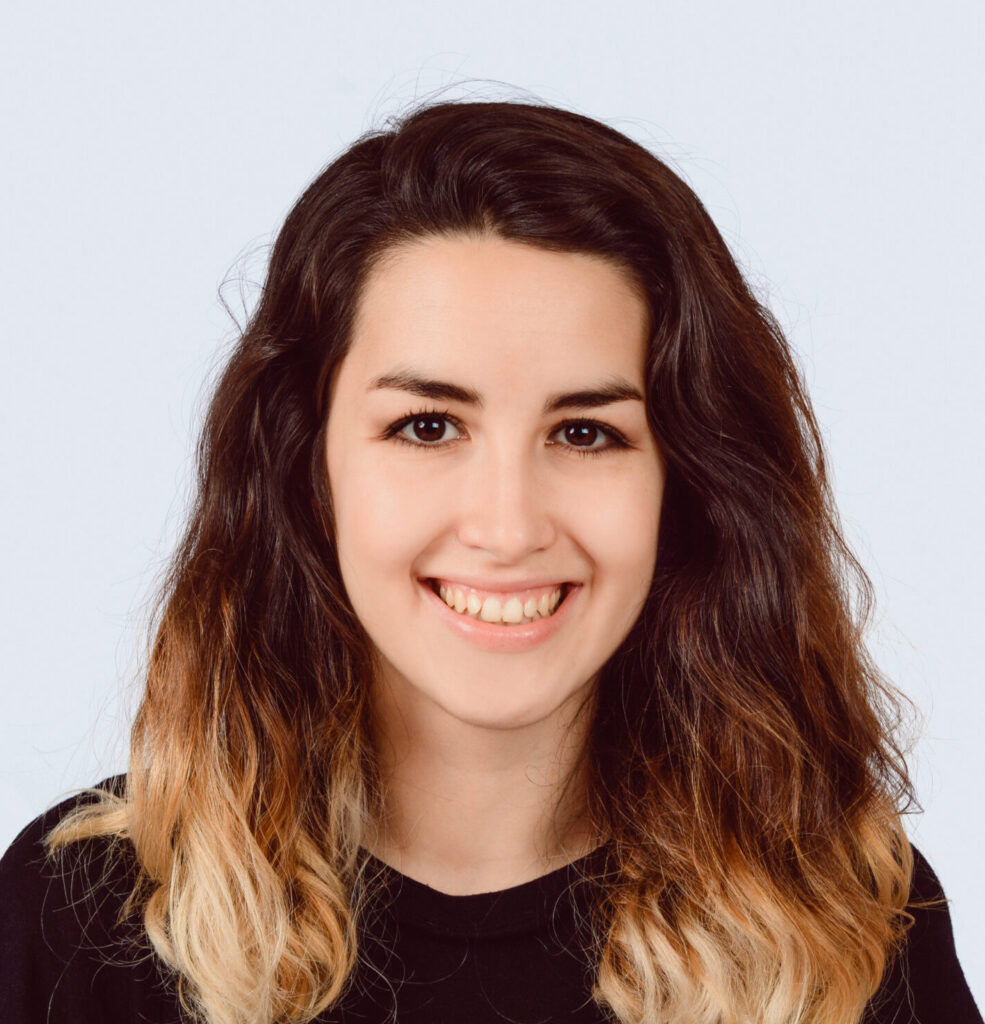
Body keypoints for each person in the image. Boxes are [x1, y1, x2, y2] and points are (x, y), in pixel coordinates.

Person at [0, 98, 980, 1024]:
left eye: (587, 433)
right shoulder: (78, 919)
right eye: (427, 426)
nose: (507, 526)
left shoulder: (845, 922)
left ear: (683, 484)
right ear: (308, 469)